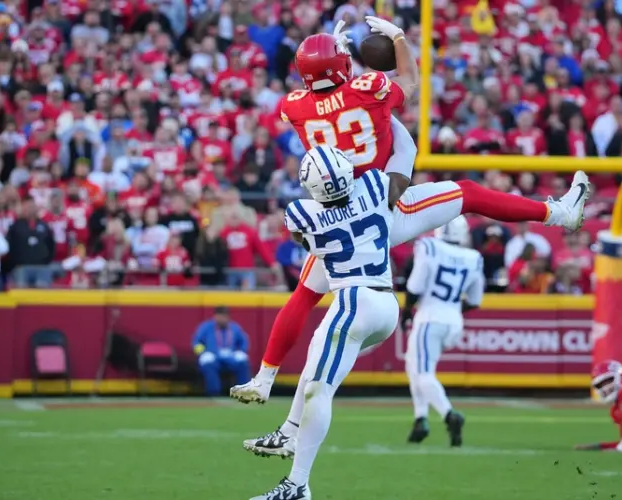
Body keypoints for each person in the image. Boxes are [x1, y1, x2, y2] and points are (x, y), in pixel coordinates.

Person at [231, 16, 591, 405]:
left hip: (336, 220)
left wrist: (332, 61)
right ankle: (556, 214)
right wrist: (399, 40)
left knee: (303, 295)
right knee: (467, 192)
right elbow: (409, 81)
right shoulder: (368, 89)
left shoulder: (294, 107)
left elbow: (320, 95)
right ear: (344, 66)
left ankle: (265, 377)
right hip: (382, 207)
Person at [248, 145, 405, 500]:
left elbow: (302, 238)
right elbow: (403, 160)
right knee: (317, 353)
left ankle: (297, 485)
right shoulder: (377, 185)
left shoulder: (301, 213)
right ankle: (288, 430)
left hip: (353, 300)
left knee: (319, 389)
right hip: (386, 302)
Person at [401, 216, 484, 447]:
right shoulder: (474, 257)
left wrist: (407, 311)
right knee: (413, 365)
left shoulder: (429, 247)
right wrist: (453, 309)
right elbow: (475, 300)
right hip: (453, 320)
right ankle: (420, 419)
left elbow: (414, 286)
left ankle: (449, 414)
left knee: (424, 373)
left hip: (430, 317)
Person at [192, 306, 251, 396]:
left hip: (231, 357)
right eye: (220, 316)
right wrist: (203, 353)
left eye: (224, 316)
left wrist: (241, 351)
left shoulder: (234, 328)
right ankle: (214, 392)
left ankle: (244, 392)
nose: (222, 319)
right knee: (207, 362)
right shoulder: (206, 327)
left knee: (242, 360)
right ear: (215, 316)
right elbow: (196, 342)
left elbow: (244, 341)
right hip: (213, 357)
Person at [6, 196, 55, 288]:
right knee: (22, 295)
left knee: (42, 295)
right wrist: (15, 262)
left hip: (42, 267)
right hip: (21, 267)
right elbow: (10, 246)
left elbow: (51, 244)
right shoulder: (15, 226)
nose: (29, 209)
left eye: (31, 206)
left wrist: (46, 260)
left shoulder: (44, 226)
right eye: (26, 207)